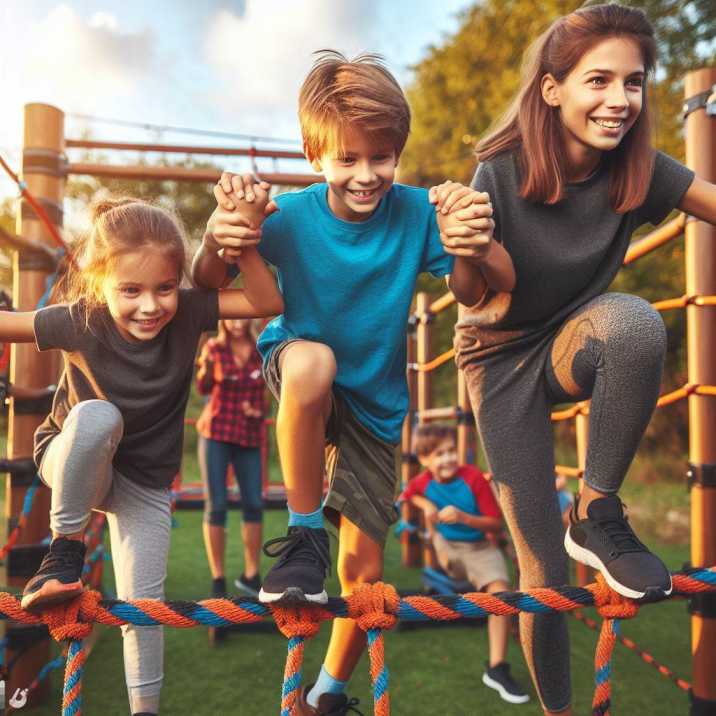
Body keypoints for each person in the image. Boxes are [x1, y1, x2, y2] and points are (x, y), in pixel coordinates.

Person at [192, 51, 514, 715]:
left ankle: (327, 691)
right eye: (347, 159)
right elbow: (208, 280)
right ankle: (304, 532)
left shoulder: (416, 215)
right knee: (314, 365)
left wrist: (469, 240)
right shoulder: (290, 218)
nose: (365, 174)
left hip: (375, 406)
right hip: (305, 372)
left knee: (363, 575)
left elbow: (479, 288)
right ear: (316, 155)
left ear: (397, 151)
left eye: (381, 157)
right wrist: (218, 236)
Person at [430, 5, 716, 714]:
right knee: (542, 570)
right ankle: (560, 710)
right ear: (553, 89)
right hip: (498, 360)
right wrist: (459, 246)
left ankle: (596, 511)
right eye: (598, 80)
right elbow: (473, 294)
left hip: (576, 339)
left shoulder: (639, 170)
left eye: (634, 82)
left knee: (637, 323)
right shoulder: (501, 167)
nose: (618, 100)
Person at [0, 197, 283, 716]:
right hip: (73, 460)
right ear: (100, 283)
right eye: (130, 290)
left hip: (145, 484)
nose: (150, 305)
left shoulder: (191, 313)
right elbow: (8, 325)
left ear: (179, 280)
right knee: (98, 417)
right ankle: (64, 555)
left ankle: (144, 710)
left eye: (165, 287)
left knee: (143, 611)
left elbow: (265, 302)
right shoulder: (79, 320)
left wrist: (241, 246)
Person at [401, 424, 529, 705]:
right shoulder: (423, 481)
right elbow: (406, 494)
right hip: (447, 547)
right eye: (438, 454)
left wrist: (463, 517)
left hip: (479, 546)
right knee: (444, 554)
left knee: (501, 593)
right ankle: (446, 557)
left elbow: (494, 522)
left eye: (450, 451)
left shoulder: (472, 479)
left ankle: (496, 668)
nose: (447, 459)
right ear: (424, 460)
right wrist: (425, 506)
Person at [195, 317, 266, 600]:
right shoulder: (214, 348)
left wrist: (256, 411)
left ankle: (251, 575)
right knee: (217, 505)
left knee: (254, 503)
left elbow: (265, 393)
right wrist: (205, 369)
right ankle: (218, 579)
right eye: (232, 319)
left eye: (242, 319)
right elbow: (203, 389)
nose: (237, 324)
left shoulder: (261, 349)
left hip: (248, 434)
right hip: (216, 432)